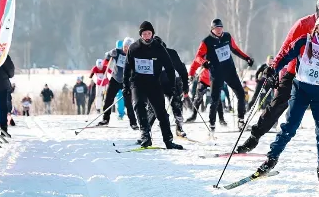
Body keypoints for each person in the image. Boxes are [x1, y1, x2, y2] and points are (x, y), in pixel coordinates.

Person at [248, 9, 319, 185]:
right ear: (317, 24)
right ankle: (270, 160)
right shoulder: (305, 40)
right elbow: (285, 55)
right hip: (301, 90)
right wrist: (273, 68)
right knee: (290, 127)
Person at [235, 0, 319, 156]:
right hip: (295, 73)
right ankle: (254, 137)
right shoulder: (303, 24)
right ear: (317, 11)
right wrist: (274, 68)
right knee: (277, 105)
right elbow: (286, 48)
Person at [124, 21, 184, 150]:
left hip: (153, 83)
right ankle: (145, 136)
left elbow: (169, 67)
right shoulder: (134, 48)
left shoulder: (159, 48)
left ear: (152, 34)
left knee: (161, 113)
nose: (147, 36)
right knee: (139, 105)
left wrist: (173, 86)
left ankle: (168, 141)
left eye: (149, 33)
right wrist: (126, 85)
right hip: (138, 82)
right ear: (141, 35)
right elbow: (127, 67)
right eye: (144, 34)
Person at [195, 18, 254, 131]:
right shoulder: (206, 41)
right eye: (216, 28)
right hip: (216, 73)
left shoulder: (227, 36)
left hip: (230, 71)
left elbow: (235, 49)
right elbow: (198, 57)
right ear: (212, 29)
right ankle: (212, 126)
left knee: (241, 94)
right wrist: (204, 62)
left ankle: (241, 121)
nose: (219, 30)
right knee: (215, 99)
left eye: (220, 28)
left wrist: (247, 58)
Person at [99, 38, 139, 129]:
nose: (126, 49)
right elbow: (107, 55)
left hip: (127, 81)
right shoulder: (117, 52)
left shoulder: (133, 55)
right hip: (115, 79)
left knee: (128, 103)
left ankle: (133, 122)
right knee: (108, 99)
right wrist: (108, 57)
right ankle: (105, 119)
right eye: (125, 47)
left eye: (128, 47)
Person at [0, 54, 15, 137]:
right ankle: (3, 130)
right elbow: (10, 71)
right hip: (1, 84)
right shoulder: (3, 53)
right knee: (3, 108)